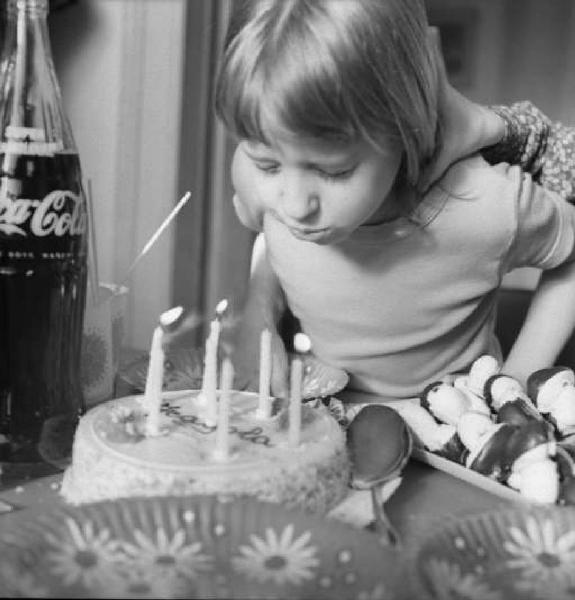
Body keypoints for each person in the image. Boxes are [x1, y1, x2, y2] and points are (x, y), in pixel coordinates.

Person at [215, 0, 575, 403]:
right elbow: (272, 236)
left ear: (405, 128)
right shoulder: (250, 176)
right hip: (318, 418)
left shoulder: (485, 202)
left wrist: (517, 380)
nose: (295, 207)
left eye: (333, 171)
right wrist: (257, 317)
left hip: (451, 439)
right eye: (267, 165)